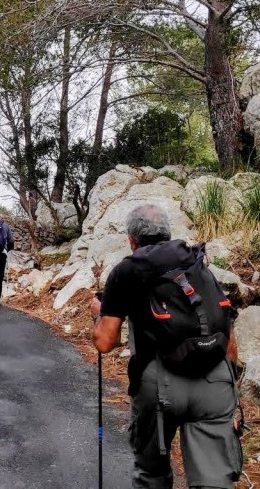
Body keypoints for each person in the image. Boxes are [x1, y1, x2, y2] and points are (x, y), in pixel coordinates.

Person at [90, 204, 241, 489]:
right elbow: (226, 326)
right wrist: (231, 389)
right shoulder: (197, 262)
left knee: (152, 475)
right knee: (215, 482)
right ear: (169, 233)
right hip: (215, 380)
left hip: (160, 385)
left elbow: (105, 341)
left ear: (131, 240)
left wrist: (98, 312)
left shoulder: (126, 270)